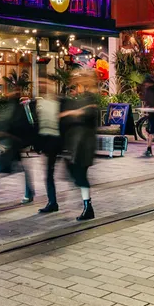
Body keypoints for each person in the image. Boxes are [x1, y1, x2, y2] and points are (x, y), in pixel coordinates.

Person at [61, 68, 99, 221]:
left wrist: (71, 113)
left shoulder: (90, 98)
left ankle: (87, 207)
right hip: (79, 144)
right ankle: (86, 206)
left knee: (80, 176)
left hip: (84, 145)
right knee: (78, 175)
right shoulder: (83, 98)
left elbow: (88, 113)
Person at [0, 85, 36, 204]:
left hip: (13, 143)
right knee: (20, 169)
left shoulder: (16, 108)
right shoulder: (15, 107)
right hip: (14, 143)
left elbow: (15, 124)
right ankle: (29, 192)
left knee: (3, 170)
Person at [35, 84, 64, 214]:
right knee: (49, 173)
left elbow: (40, 123)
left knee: (49, 174)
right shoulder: (56, 103)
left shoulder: (45, 104)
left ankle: (52, 202)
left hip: (52, 142)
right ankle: (52, 201)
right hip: (53, 142)